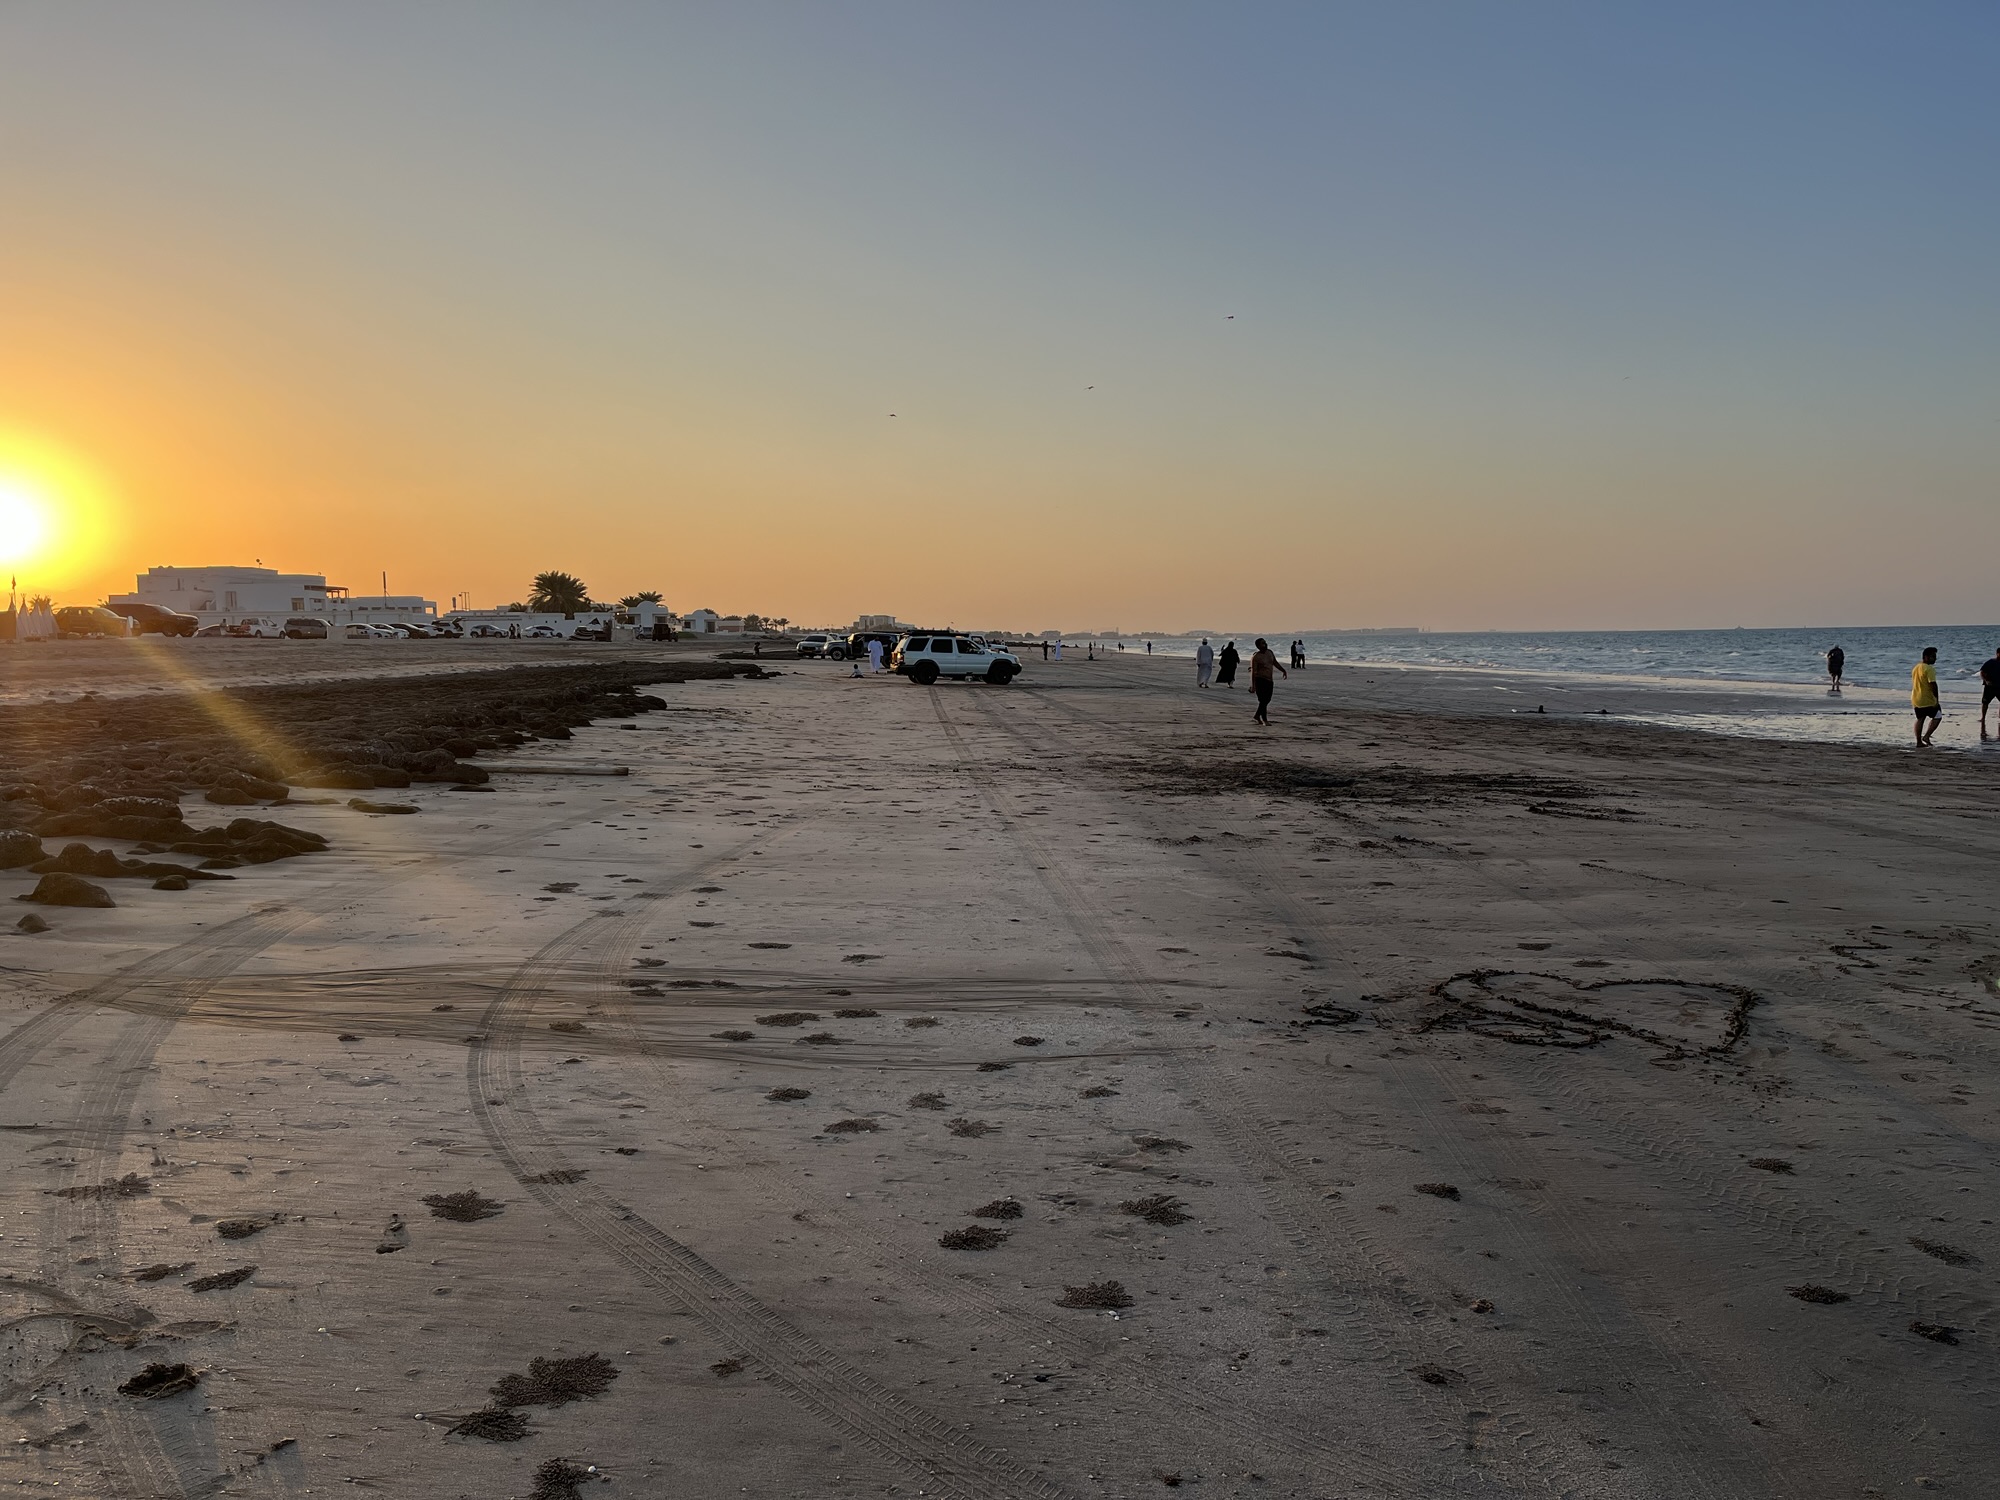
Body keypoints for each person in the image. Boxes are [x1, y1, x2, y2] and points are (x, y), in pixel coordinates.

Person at [1249, 637, 1287, 725]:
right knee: (1263, 700)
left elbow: (1275, 662)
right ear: (1258, 646)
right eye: (1263, 643)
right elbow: (1253, 672)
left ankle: (1257, 716)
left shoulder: (1270, 652)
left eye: (1265, 642)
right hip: (1260, 680)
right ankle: (1264, 719)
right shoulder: (1256, 657)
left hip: (1269, 680)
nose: (1265, 644)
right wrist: (1253, 685)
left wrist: (1283, 670)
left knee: (1267, 699)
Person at [1911, 645, 1941, 747]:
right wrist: (1936, 698)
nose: (1935, 659)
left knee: (1920, 719)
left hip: (1916, 698)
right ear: (1926, 657)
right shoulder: (1929, 669)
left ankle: (1918, 741)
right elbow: (1933, 684)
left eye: (1935, 656)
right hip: (1927, 699)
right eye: (1933, 656)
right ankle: (1927, 736)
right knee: (1938, 716)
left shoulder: (1916, 667)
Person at [1980, 646, 2000, 738]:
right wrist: (1986, 680)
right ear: (1997, 653)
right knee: (1985, 702)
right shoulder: (1991, 662)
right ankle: (1983, 718)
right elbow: (1982, 672)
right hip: (1990, 686)